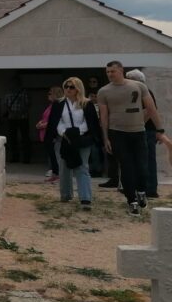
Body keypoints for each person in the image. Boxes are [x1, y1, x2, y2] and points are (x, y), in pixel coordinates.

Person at [98, 61, 165, 215]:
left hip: (138, 132)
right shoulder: (104, 91)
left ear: (121, 70)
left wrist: (159, 129)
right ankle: (132, 201)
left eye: (112, 71)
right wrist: (106, 137)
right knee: (126, 168)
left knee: (142, 167)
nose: (109, 74)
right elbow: (104, 116)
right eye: (107, 72)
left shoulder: (139, 86)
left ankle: (141, 190)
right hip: (117, 133)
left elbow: (151, 108)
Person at [47, 78, 100, 209]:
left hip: (81, 139)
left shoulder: (87, 103)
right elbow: (56, 120)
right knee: (64, 168)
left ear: (78, 89)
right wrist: (64, 132)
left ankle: (85, 198)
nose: (68, 89)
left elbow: (89, 122)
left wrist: (77, 132)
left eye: (71, 87)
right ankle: (65, 195)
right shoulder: (59, 103)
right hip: (64, 139)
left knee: (82, 167)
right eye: (66, 86)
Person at [126, 69, 160, 198]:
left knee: (148, 160)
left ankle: (150, 189)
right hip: (141, 130)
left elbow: (149, 111)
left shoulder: (145, 92)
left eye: (128, 79)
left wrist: (138, 124)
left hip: (145, 130)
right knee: (139, 160)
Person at [37, 86, 64, 184]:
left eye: (50, 93)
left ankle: (58, 175)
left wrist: (44, 124)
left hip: (53, 133)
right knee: (51, 155)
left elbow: (57, 120)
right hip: (45, 132)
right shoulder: (51, 105)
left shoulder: (59, 105)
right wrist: (40, 123)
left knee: (56, 155)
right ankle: (54, 174)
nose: (48, 95)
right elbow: (45, 117)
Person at [2, 77, 31, 163]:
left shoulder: (10, 93)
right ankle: (20, 158)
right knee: (18, 138)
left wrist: (13, 112)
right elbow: (28, 104)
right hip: (20, 117)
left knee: (20, 138)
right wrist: (20, 112)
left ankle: (21, 158)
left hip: (16, 117)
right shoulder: (23, 92)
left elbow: (6, 105)